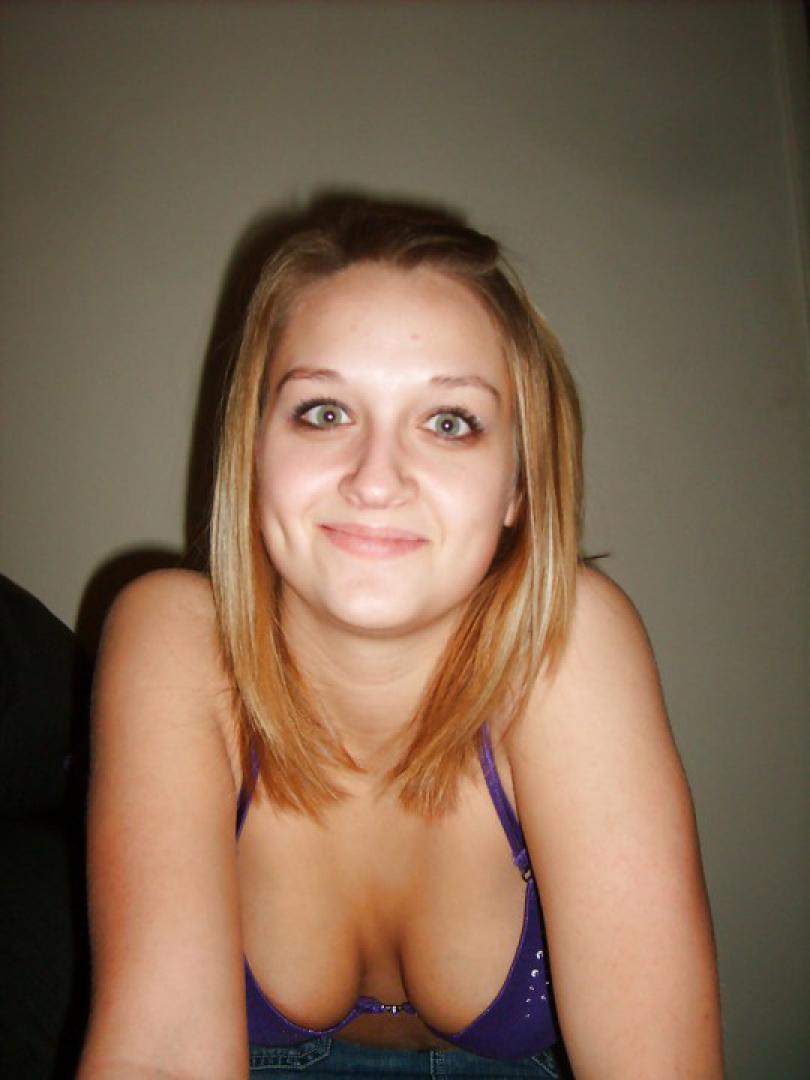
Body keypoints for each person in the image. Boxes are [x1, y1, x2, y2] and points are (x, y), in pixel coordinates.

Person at [78, 201, 723, 1079]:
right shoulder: (175, 638)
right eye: (323, 412)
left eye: (449, 421)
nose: (376, 480)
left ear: (518, 486)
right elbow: (162, 1054)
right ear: (253, 451)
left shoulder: (566, 645)